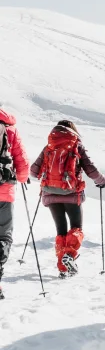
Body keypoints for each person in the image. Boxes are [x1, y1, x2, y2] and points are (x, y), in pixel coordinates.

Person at [30, 120, 105, 278]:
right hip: (71, 193)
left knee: (61, 230)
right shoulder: (76, 145)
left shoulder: (49, 146)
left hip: (50, 194)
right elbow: (91, 169)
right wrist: (101, 180)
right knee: (76, 227)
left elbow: (33, 171)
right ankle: (69, 257)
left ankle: (62, 268)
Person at [0, 107, 31, 299]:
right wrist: (21, 177)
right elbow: (23, 164)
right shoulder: (10, 130)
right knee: (3, 236)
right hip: (4, 193)